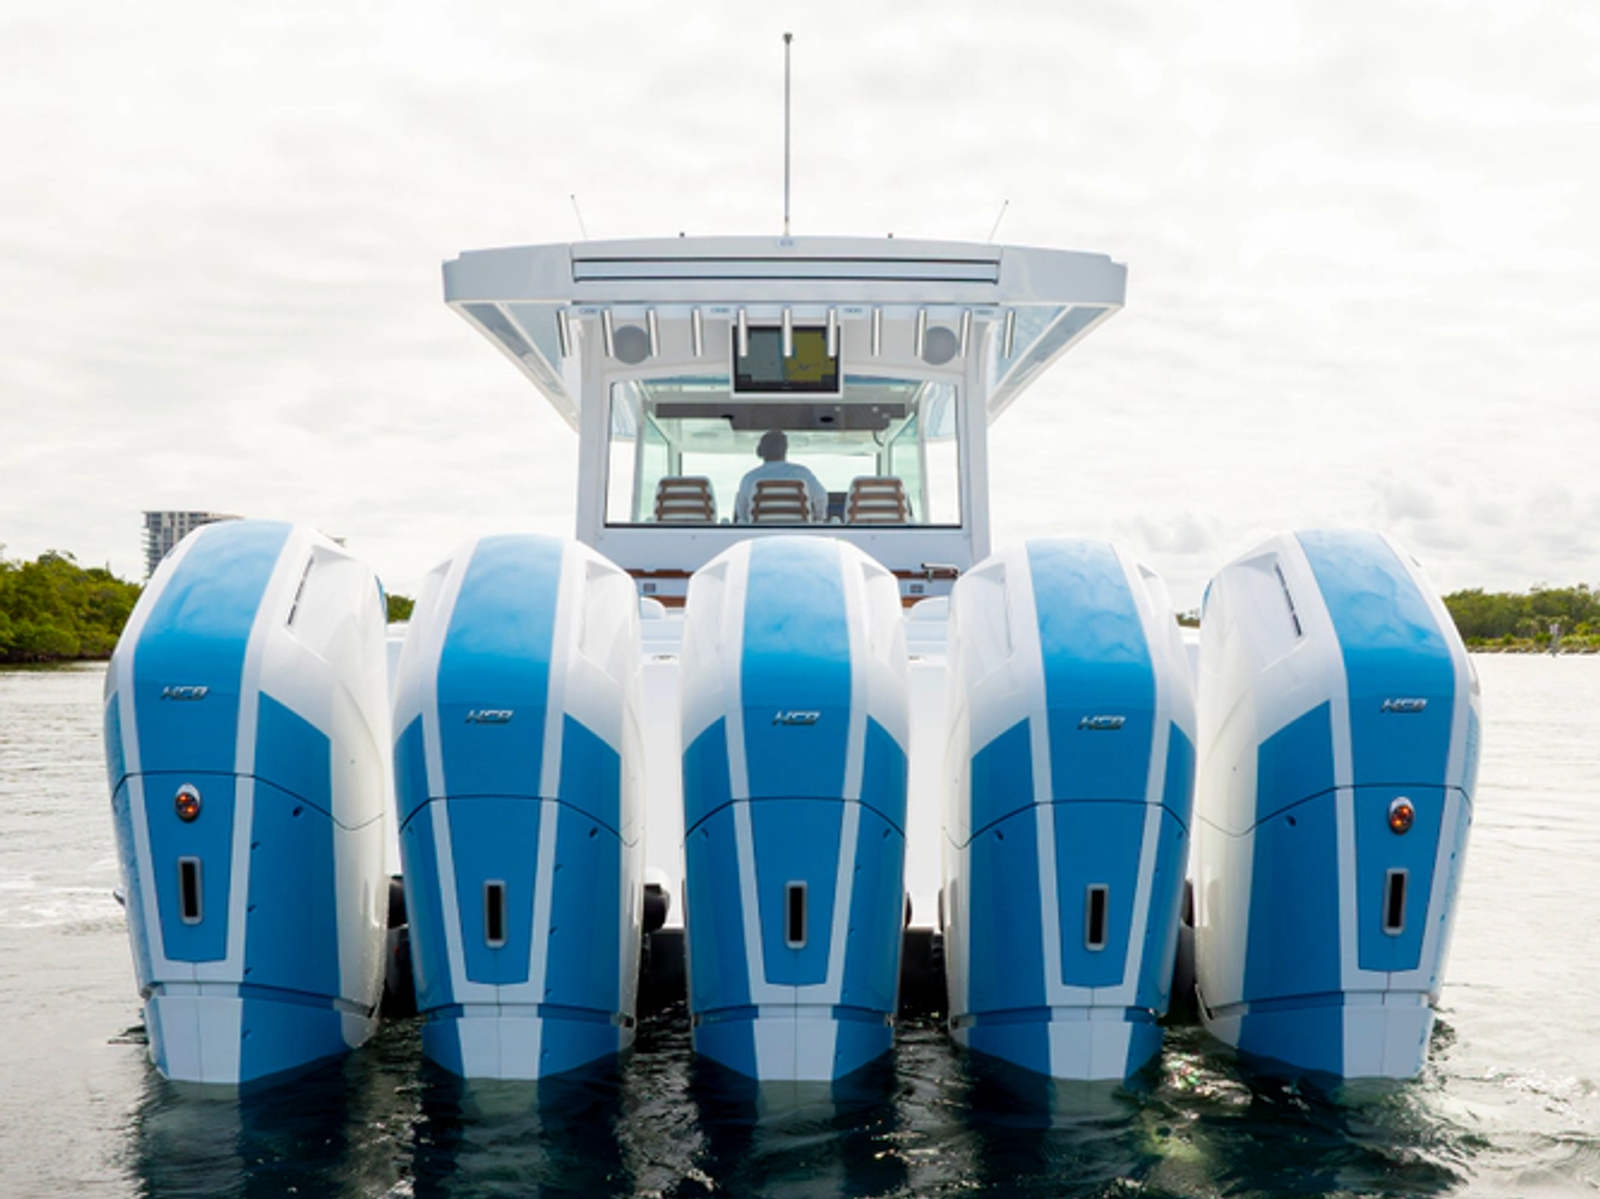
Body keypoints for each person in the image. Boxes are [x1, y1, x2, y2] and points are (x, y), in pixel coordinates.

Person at [734, 430, 828, 523]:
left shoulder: (749, 478)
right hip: (798, 531)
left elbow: (742, 514)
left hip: (760, 532)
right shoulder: (802, 473)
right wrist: (817, 520)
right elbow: (821, 497)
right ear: (785, 449)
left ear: (761, 451)